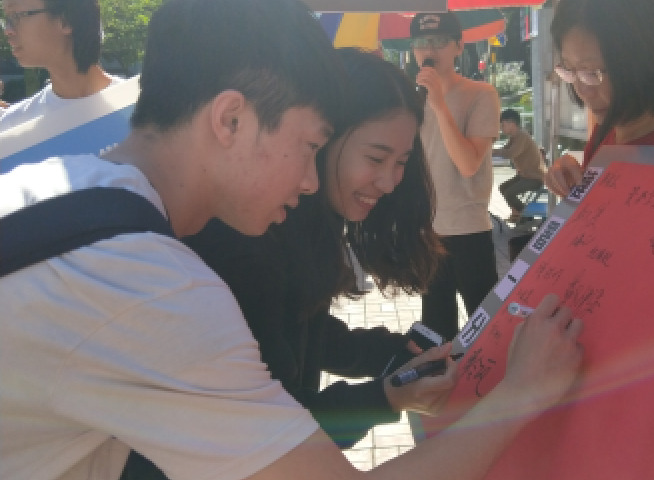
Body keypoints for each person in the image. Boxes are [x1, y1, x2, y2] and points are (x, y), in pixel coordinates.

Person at [0, 0, 585, 478]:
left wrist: (384, 390)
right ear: (230, 120)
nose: (309, 181)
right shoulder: (152, 288)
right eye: (309, 146)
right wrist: (524, 393)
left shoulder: (56, 187)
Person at [119, 47, 451, 478]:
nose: (389, 181)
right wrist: (387, 397)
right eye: (375, 158)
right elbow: (274, 437)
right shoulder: (248, 241)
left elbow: (303, 328)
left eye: (402, 162)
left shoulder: (308, 225)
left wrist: (391, 355)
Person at [544, 0, 654, 196]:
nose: (582, 90)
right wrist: (572, 187)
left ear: (652, 64)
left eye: (592, 71)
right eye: (569, 68)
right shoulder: (611, 129)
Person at [411, 11, 501, 342]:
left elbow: (468, 163)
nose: (428, 50)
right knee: (435, 330)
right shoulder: (411, 100)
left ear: (458, 46)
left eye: (439, 41)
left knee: (486, 327)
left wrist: (439, 105)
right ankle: (442, 376)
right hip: (427, 230)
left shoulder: (481, 94)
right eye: (421, 42)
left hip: (469, 228)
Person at [0, 0, 124, 130]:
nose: (8, 30)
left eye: (16, 15)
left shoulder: (134, 107)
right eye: (6, 19)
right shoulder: (13, 127)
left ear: (66, 20)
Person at [493, 108, 546, 223]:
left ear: (511, 124)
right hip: (524, 176)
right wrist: (491, 152)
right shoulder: (514, 137)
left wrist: (492, 152)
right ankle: (517, 213)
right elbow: (504, 150)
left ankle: (524, 216)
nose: (501, 128)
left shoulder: (522, 136)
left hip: (534, 178)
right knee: (503, 188)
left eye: (503, 125)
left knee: (509, 193)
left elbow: (510, 153)